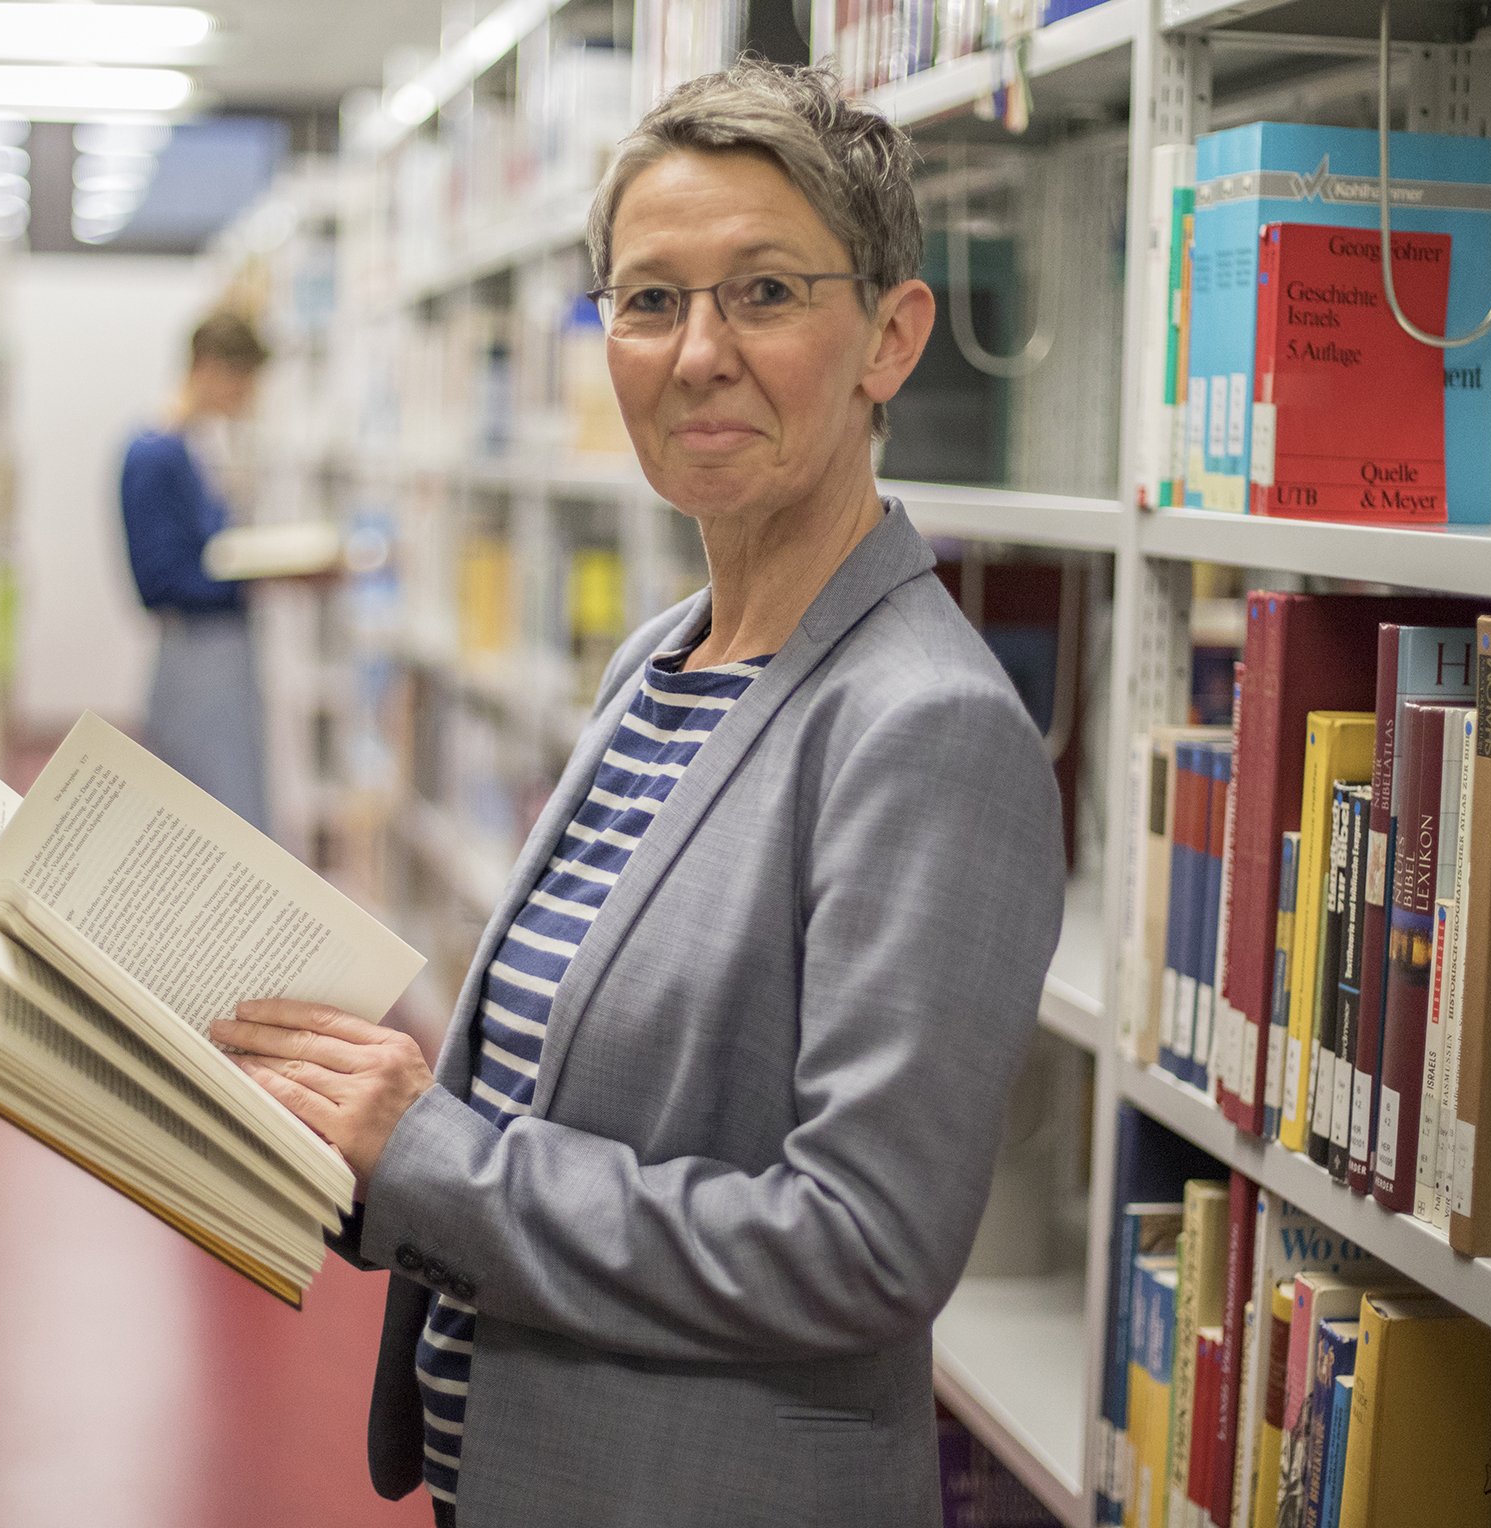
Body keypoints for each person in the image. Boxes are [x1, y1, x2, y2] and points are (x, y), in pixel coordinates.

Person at [210, 59, 1068, 1527]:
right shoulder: (659, 662)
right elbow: (558, 1103)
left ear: (891, 336)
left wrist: (434, 1159)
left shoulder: (924, 728)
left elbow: (862, 1247)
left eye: (765, 293)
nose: (697, 354)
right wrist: (349, 1145)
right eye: (650, 300)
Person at [119, 311, 273, 832]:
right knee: (217, 823)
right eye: (243, 381)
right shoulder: (154, 455)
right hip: (196, 658)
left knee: (232, 813)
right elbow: (159, 580)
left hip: (218, 653)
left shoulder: (192, 451)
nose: (248, 398)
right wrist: (258, 574)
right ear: (209, 368)